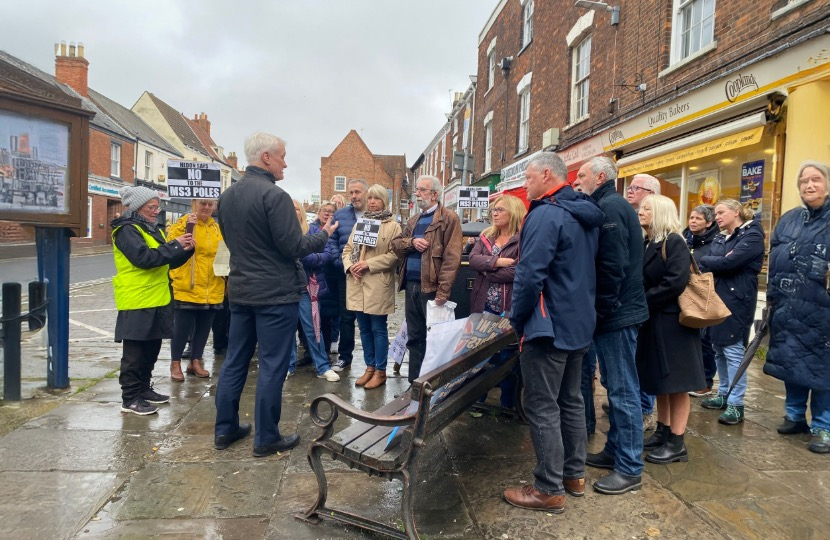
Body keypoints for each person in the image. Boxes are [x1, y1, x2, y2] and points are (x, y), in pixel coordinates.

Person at [213, 133, 338, 457]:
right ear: (266, 157)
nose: (286, 162)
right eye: (282, 156)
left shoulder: (227, 197)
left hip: (240, 292)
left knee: (235, 361)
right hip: (275, 295)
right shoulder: (275, 196)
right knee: (272, 364)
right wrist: (323, 235)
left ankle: (225, 429)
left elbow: (233, 241)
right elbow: (294, 247)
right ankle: (266, 437)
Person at [502, 152, 602, 512]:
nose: (525, 184)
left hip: (548, 326)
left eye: (528, 177)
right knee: (571, 400)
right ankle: (574, 476)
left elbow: (529, 275)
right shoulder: (583, 213)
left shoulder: (545, 214)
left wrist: (517, 319)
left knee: (542, 406)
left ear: (547, 175)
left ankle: (548, 488)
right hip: (579, 322)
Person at [574, 157, 650, 495]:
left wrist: (602, 310)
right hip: (617, 312)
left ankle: (630, 467)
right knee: (616, 387)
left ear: (601, 176)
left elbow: (613, 265)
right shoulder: (607, 204)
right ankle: (615, 451)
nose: (578, 179)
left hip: (618, 314)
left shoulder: (612, 206)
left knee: (623, 391)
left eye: (583, 174)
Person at [765, 160, 830, 453]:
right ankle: (794, 416)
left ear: (827, 184)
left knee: (822, 369)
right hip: (789, 306)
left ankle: (823, 426)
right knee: (792, 362)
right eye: (804, 181)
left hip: (823, 311)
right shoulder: (789, 218)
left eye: (816, 180)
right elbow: (775, 258)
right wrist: (772, 299)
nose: (810, 185)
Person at [111, 186, 194, 415]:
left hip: (157, 298)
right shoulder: (127, 230)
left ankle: (143, 390)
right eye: (151, 207)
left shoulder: (149, 229)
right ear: (138, 207)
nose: (156, 211)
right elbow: (144, 259)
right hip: (137, 300)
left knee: (151, 349)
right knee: (134, 354)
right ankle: (130, 398)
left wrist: (184, 250)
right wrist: (175, 245)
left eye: (157, 207)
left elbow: (163, 260)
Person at [636, 194, 705, 463]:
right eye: (641, 208)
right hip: (655, 321)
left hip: (674, 324)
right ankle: (663, 431)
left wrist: (643, 301)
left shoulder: (674, 242)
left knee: (677, 384)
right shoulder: (648, 242)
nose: (641, 212)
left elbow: (675, 282)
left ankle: (677, 442)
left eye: (647, 208)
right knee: (661, 381)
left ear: (661, 212)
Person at [699, 199, 765, 425]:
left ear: (736, 212)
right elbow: (711, 259)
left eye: (720, 212)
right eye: (715, 213)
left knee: (733, 350)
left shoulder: (752, 235)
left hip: (737, 301)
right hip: (717, 298)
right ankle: (724, 394)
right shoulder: (721, 236)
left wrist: (717, 261)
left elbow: (729, 263)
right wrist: (718, 260)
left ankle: (736, 404)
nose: (716, 217)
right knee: (718, 348)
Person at [391, 175, 462, 384]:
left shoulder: (449, 219)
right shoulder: (413, 221)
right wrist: (412, 242)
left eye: (422, 190)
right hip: (412, 285)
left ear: (434, 194)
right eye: (417, 190)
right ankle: (415, 386)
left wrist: (443, 291)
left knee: (435, 341)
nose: (418, 193)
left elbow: (452, 258)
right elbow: (396, 245)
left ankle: (431, 386)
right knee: (415, 339)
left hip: (431, 289)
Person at [342, 184, 402, 389]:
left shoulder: (393, 226)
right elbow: (348, 249)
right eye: (371, 198)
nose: (373, 202)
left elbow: (395, 255)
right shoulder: (361, 224)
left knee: (378, 328)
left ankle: (380, 370)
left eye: (377, 198)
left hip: (377, 284)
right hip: (358, 283)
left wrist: (369, 263)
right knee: (364, 329)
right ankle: (369, 367)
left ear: (384, 201)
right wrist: (351, 266)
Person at [468, 194, 525, 408]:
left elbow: (517, 271)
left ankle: (507, 405)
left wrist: (487, 270)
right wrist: (498, 261)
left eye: (500, 209)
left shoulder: (522, 240)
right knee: (480, 353)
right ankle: (478, 400)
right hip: (483, 304)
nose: (495, 213)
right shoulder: (486, 236)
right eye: (494, 209)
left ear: (513, 213)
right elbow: (473, 260)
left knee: (507, 357)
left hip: (507, 307)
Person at [167, 199, 224, 381]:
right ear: (194, 204)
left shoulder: (217, 228)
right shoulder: (184, 223)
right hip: (189, 283)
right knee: (181, 328)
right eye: (203, 204)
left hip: (212, 285)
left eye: (210, 204)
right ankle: (175, 363)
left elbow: (223, 252)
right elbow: (171, 244)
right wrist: (186, 227)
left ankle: (195, 361)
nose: (206, 207)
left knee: (204, 327)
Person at [288, 200, 340, 381]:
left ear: (302, 211)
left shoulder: (312, 231)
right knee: (287, 330)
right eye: (290, 208)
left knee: (313, 328)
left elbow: (326, 255)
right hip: (284, 288)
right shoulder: (281, 231)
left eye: (296, 208)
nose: (294, 212)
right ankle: (288, 365)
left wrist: (305, 257)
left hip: (307, 288)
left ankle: (322, 366)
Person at [624, 173, 660, 431]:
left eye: (637, 187)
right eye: (630, 186)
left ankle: (645, 409)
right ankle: (635, 401)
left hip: (650, 307)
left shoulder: (659, 229)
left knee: (645, 358)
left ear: (652, 194)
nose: (630, 190)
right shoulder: (634, 220)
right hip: (635, 301)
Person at [328, 180, 369, 373]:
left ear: (366, 193)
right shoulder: (340, 215)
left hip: (370, 275)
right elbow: (332, 242)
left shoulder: (375, 214)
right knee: (346, 317)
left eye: (357, 192)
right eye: (351, 192)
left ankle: (375, 362)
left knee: (371, 318)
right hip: (345, 274)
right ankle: (345, 357)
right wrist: (343, 265)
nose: (354, 196)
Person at [683, 205, 719, 396]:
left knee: (706, 340)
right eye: (691, 217)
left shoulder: (715, 242)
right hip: (685, 292)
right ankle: (689, 376)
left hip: (705, 293)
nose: (693, 221)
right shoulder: (685, 237)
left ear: (708, 222)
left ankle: (705, 381)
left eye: (698, 218)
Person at [314, 201, 340, 354]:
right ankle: (311, 351)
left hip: (330, 278)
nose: (328, 214)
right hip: (313, 276)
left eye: (331, 212)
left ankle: (326, 350)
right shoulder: (311, 228)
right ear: (319, 212)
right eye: (325, 210)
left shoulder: (336, 229)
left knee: (326, 318)